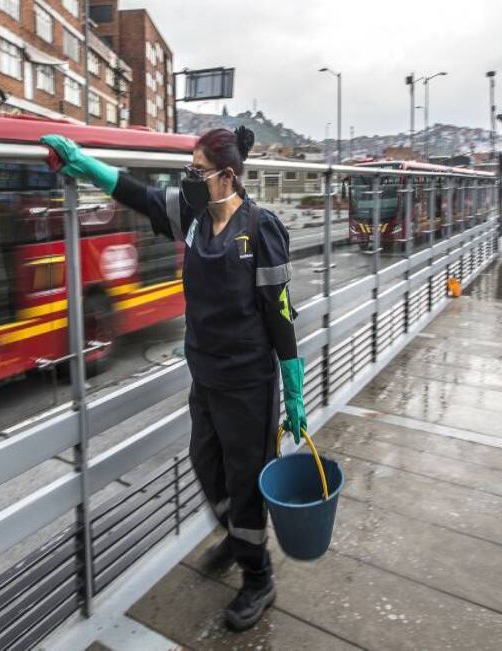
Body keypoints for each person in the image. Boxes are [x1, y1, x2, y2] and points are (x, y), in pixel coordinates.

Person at [41, 126, 307, 631]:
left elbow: (280, 313)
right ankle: (236, 533)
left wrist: (292, 391)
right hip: (205, 375)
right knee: (207, 465)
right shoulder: (193, 216)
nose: (188, 178)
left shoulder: (261, 227)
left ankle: (258, 578)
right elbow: (135, 194)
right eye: (188, 169)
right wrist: (81, 163)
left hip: (248, 382)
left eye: (197, 170)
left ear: (227, 176)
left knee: (247, 483)